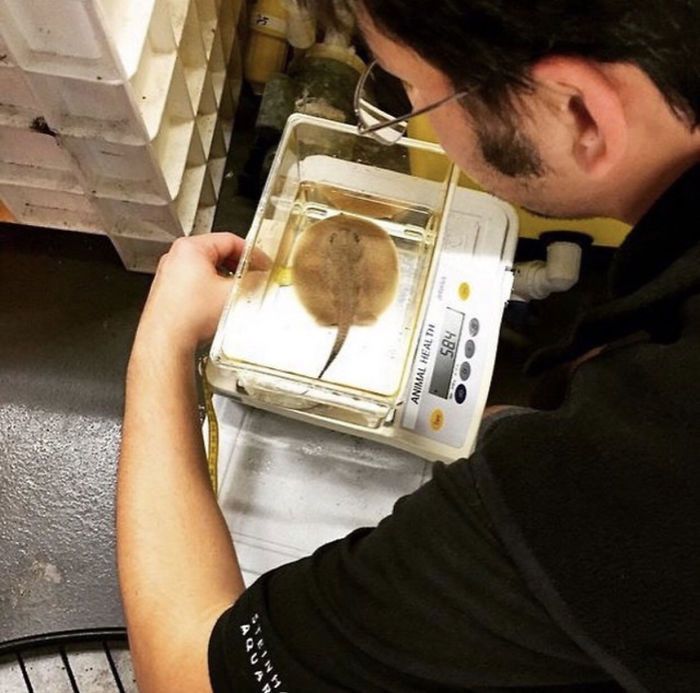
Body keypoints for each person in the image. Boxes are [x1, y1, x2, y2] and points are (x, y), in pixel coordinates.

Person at [116, 1, 700, 690]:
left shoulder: (596, 493)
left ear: (581, 114)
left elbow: (186, 671)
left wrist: (160, 339)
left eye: (407, 88)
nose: (413, 112)